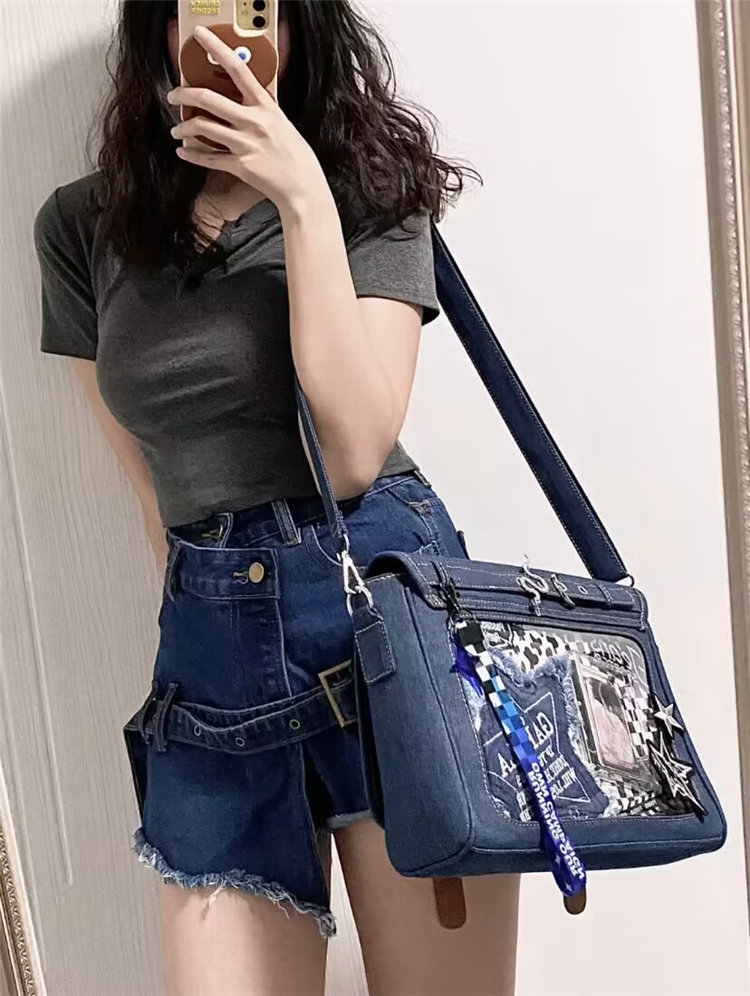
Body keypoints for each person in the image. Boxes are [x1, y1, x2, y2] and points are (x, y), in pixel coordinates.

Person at [32, 2, 519, 993]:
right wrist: (196, 609)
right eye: (197, 8)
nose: (224, 37)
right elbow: (149, 479)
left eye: (256, 8)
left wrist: (301, 194)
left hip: (387, 617)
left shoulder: (367, 187)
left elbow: (352, 452)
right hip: (212, 653)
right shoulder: (85, 225)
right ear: (159, 30)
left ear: (300, 26)